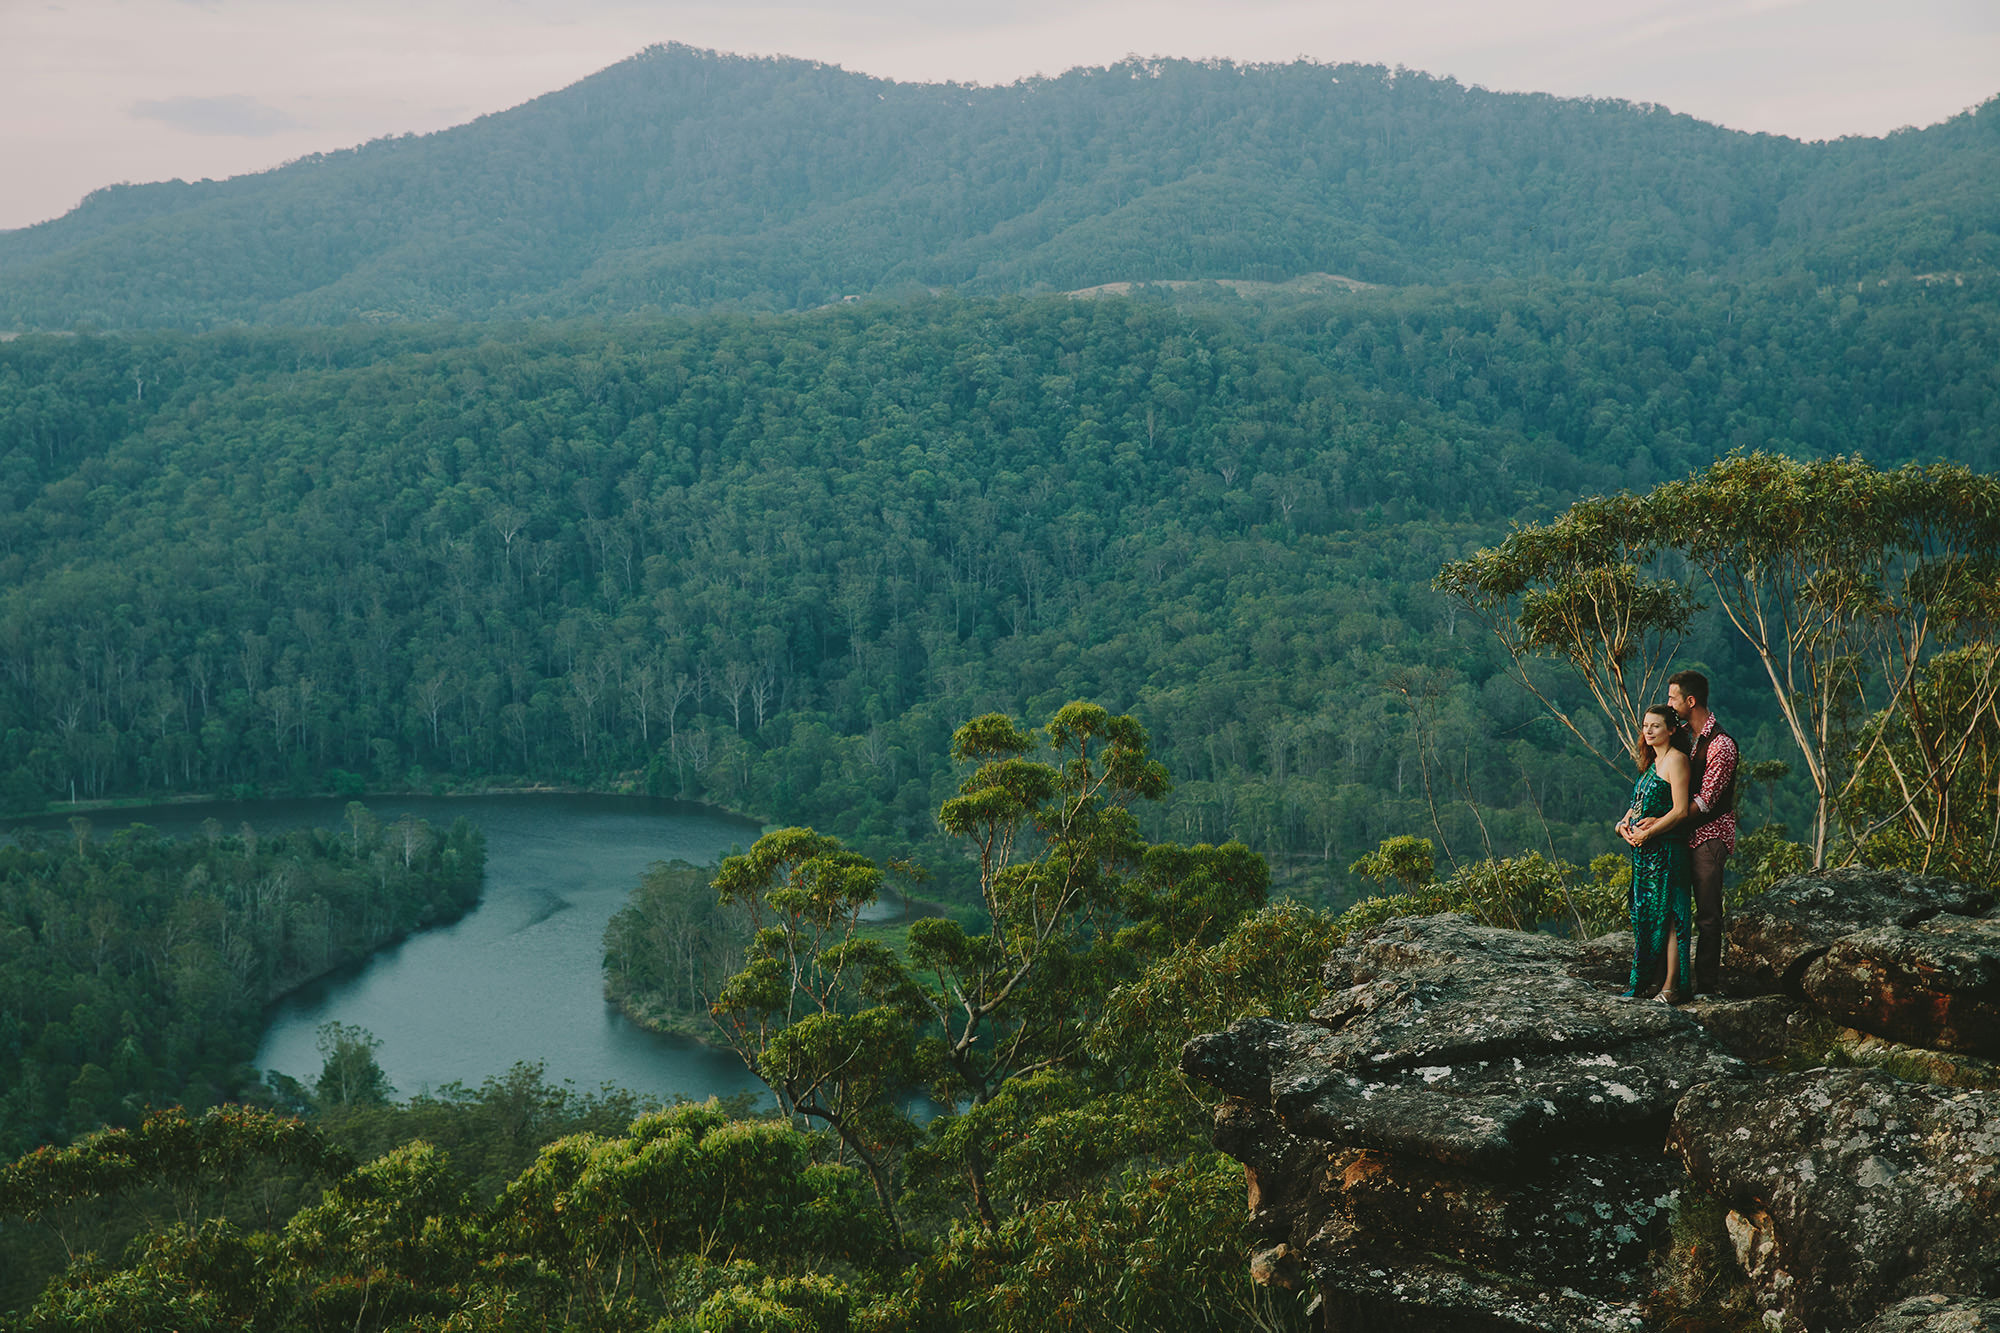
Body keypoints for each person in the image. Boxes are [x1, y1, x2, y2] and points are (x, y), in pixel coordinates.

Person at [1665, 669, 1736, 995]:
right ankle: (1672, 981)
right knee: (1675, 910)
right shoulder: (1685, 736)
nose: (1669, 703)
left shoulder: (1721, 745)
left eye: (1672, 698)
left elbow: (1705, 802)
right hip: (1683, 837)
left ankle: (1707, 984)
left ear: (1690, 701)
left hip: (1709, 838)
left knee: (1707, 916)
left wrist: (1664, 823)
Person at [1617, 704, 1694, 1002]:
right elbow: (1635, 807)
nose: (1648, 731)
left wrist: (1649, 831)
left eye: (1655, 726)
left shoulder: (1676, 761)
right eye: (1645, 726)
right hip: (1644, 856)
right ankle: (1652, 981)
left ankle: (1671, 987)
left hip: (1667, 852)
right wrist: (1622, 826)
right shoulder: (1652, 763)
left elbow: (1680, 810)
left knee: (1671, 919)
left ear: (1671, 730)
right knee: (1647, 917)